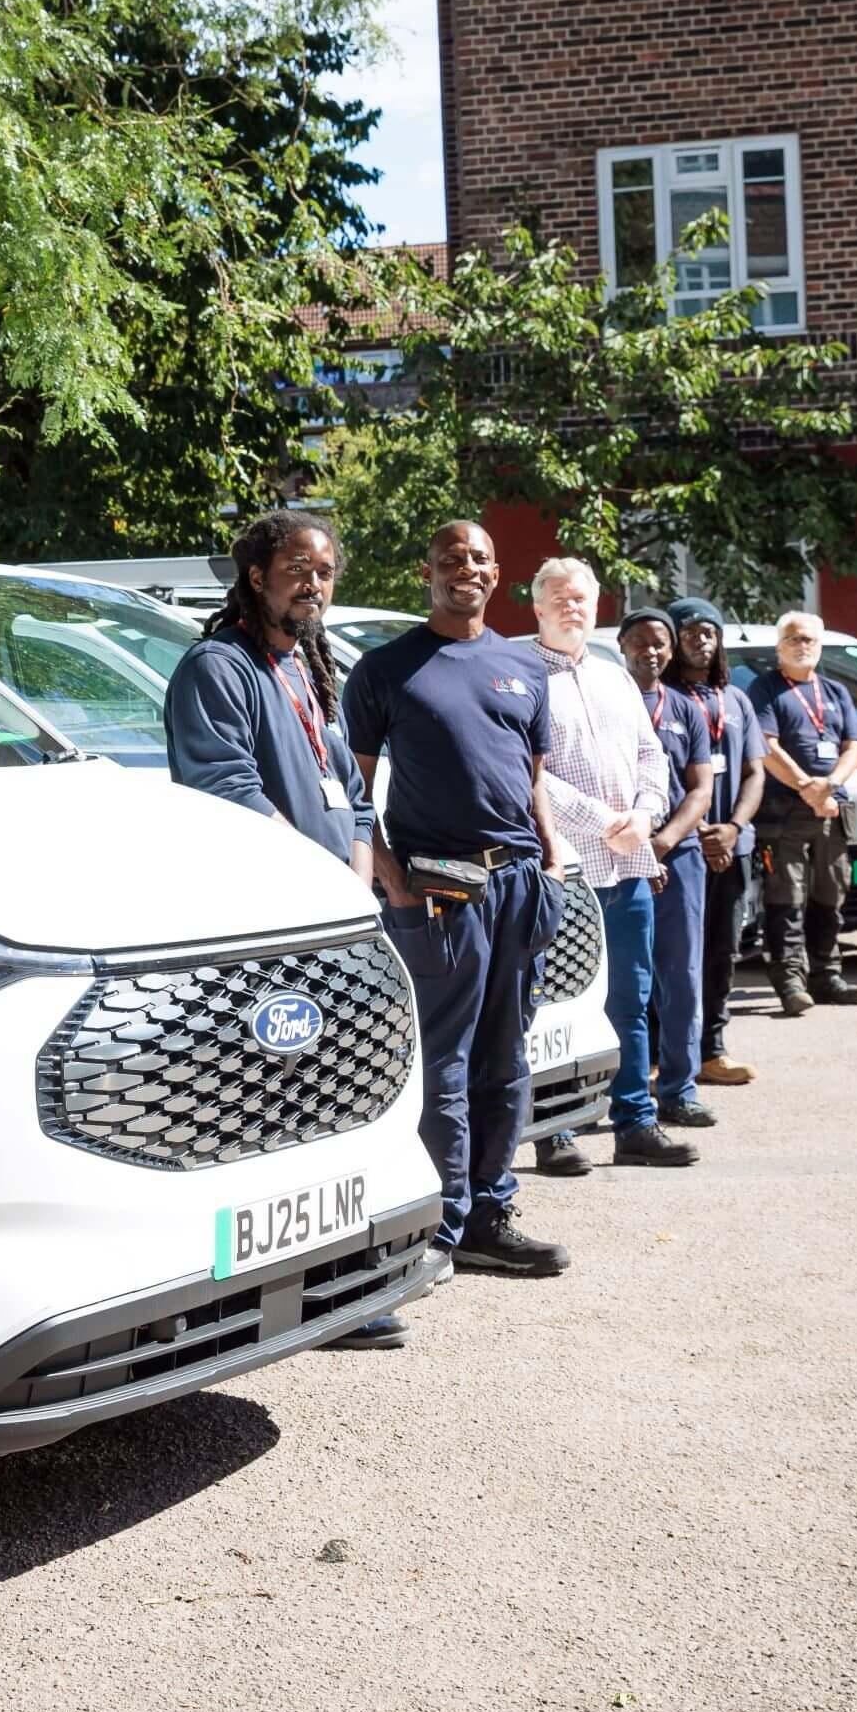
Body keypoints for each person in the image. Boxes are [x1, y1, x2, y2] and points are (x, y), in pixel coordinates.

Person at [165, 507, 412, 1346]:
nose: (314, 583)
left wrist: (356, 876)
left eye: (325, 571)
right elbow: (227, 792)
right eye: (297, 568)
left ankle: (331, 1292)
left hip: (331, 926)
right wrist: (319, 880)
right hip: (263, 939)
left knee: (327, 1114)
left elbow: (348, 785)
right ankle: (255, 1305)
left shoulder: (303, 670)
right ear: (257, 575)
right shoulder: (217, 668)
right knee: (267, 1122)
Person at [341, 522, 571, 1279]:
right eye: (449, 559)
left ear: (495, 572)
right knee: (445, 1061)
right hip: (437, 890)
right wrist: (393, 881)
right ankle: (439, 1224)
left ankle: (490, 1214)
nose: (462, 568)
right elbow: (354, 789)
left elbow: (530, 776)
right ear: (427, 572)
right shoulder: (385, 670)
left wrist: (551, 863)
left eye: (476, 558)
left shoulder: (523, 666)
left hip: (517, 885)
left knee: (506, 1058)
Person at [526, 561, 695, 1170]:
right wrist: (603, 822)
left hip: (628, 867)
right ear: (537, 607)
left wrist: (647, 815)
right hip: (566, 871)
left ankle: (635, 1123)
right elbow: (529, 775)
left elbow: (652, 756)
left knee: (630, 998)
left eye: (581, 598)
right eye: (558, 597)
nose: (572, 607)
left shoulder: (616, 678)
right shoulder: (523, 678)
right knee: (554, 1004)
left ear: (596, 606)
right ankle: (555, 1130)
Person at [617, 607, 721, 1125]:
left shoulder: (685, 708)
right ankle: (617, 1093)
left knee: (681, 977)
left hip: (677, 859)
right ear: (621, 645)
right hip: (615, 859)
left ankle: (680, 1089)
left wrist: (662, 843)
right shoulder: (609, 701)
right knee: (622, 982)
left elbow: (701, 788)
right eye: (640, 641)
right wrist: (638, 848)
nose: (651, 650)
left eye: (660, 642)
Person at [743, 611, 857, 1016]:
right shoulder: (765, 690)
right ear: (780, 647)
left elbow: (854, 746)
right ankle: (790, 982)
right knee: (786, 898)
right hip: (784, 814)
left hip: (831, 810)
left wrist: (829, 785)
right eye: (795, 639)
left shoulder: (834, 691)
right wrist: (807, 786)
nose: (803, 646)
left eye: (810, 640)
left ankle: (827, 975)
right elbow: (766, 746)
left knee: (830, 894)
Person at [665, 600, 763, 1086]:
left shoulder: (736, 699)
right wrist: (698, 832)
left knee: (722, 950)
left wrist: (734, 828)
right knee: (674, 954)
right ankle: (664, 1054)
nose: (700, 640)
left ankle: (712, 1050)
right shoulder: (660, 696)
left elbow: (754, 773)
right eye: (690, 632)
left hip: (732, 848)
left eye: (709, 632)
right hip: (681, 848)